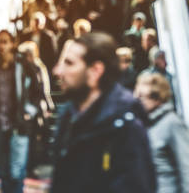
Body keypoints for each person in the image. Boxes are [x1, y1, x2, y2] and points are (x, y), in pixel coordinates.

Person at [50, 32, 156, 193]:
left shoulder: (126, 125)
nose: (58, 71)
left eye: (69, 63)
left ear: (95, 71)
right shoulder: (69, 115)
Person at [0, 30, 43, 193]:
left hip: (20, 125)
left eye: (5, 42)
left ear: (13, 43)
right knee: (3, 170)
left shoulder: (23, 66)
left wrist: (29, 112)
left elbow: (38, 90)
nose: (1, 46)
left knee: (17, 170)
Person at [135, 72, 189, 193]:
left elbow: (188, 170)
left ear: (157, 98)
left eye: (142, 97)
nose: (138, 101)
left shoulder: (172, 124)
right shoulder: (144, 125)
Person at [17, 41, 54, 178]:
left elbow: (44, 88)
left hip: (36, 107)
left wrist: (48, 104)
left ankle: (31, 166)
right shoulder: (19, 67)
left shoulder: (38, 67)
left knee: (35, 137)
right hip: (23, 108)